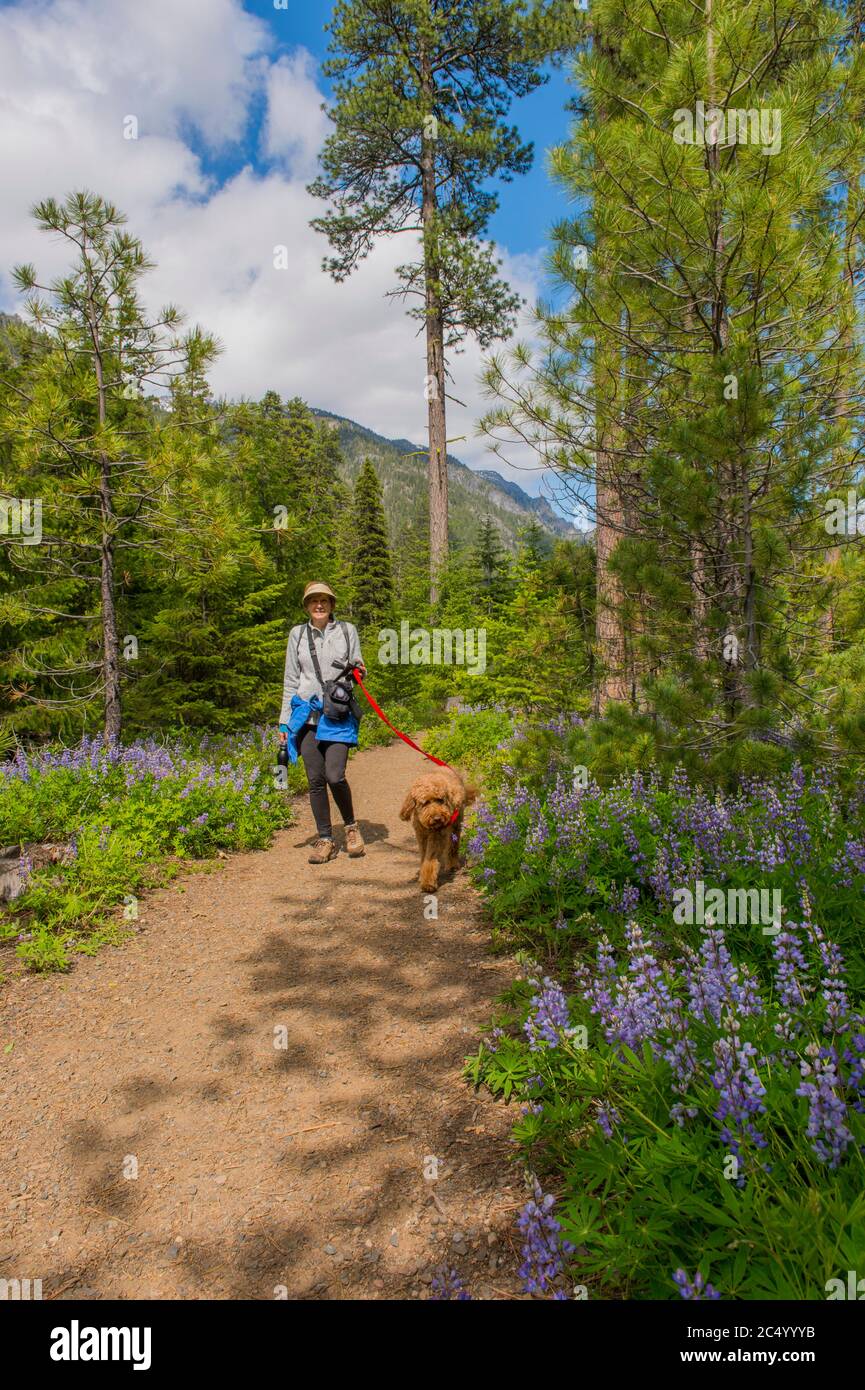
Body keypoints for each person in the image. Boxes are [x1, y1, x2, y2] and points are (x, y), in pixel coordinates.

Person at [278, 582, 367, 864]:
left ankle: (351, 828)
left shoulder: (346, 630)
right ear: (307, 605)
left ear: (331, 605)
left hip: (337, 714)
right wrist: (284, 724)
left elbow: (358, 665)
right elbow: (291, 680)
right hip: (306, 716)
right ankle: (325, 838)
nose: (319, 605)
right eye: (313, 600)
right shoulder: (297, 635)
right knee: (315, 780)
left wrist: (359, 671)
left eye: (324, 600)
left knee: (334, 775)